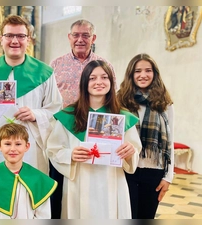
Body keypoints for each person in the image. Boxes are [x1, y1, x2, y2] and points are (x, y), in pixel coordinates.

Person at [46, 60, 142, 219]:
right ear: (84, 83)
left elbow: (134, 151)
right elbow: (53, 149)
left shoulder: (122, 117)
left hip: (112, 182)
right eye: (92, 78)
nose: (99, 82)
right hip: (79, 183)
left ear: (111, 82)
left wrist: (130, 152)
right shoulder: (69, 116)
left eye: (104, 77)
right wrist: (70, 154)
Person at [0, 15, 62, 175]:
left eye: (20, 36)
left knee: (28, 192)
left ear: (29, 40)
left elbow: (56, 111)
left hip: (30, 148)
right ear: (1, 39)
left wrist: (36, 114)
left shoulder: (44, 73)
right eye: (9, 35)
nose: (15, 41)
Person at [48, 19, 116, 218]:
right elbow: (50, 101)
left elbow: (113, 99)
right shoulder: (56, 65)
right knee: (60, 189)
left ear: (93, 38)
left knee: (96, 189)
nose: (80, 39)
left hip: (98, 133)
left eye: (85, 35)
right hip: (67, 130)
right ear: (69, 38)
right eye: (76, 35)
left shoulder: (105, 66)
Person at [117, 53, 174, 219]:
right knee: (126, 216)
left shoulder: (165, 103)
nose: (143, 75)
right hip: (126, 168)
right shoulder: (120, 100)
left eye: (148, 70)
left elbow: (170, 141)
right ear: (131, 74)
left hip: (154, 170)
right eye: (137, 71)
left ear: (154, 74)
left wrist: (168, 177)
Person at [0, 123, 57, 219]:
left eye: (18, 144)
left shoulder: (39, 180)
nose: (13, 149)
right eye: (7, 144)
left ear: (27, 146)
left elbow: (43, 216)